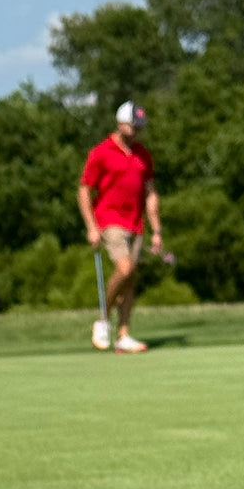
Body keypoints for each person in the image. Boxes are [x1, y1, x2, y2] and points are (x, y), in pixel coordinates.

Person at [77, 100, 162, 353]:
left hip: (136, 224)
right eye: (134, 126)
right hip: (109, 220)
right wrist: (91, 227)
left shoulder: (142, 154)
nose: (138, 131)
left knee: (131, 280)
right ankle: (103, 320)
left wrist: (157, 230)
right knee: (124, 269)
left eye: (140, 127)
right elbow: (84, 191)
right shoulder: (101, 152)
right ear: (121, 124)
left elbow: (150, 194)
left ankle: (123, 335)